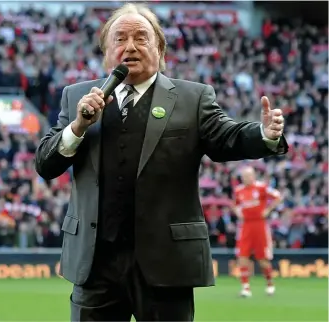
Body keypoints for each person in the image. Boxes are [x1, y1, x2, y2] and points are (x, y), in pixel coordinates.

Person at [34, 4, 288, 321]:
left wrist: (264, 133)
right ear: (106, 50)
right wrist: (78, 127)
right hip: (96, 263)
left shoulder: (191, 97)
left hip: (166, 263)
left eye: (141, 37)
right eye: (120, 38)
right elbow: (45, 164)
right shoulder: (77, 96)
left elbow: (227, 138)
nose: (130, 46)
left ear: (160, 48)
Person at [233, 166, 283, 298]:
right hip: (245, 226)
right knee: (242, 257)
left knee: (262, 259)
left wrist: (268, 210)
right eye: (244, 176)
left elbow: (278, 196)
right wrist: (238, 212)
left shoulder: (261, 187)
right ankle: (246, 288)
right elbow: (236, 205)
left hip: (259, 225)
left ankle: (270, 284)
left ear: (253, 176)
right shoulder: (239, 190)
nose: (246, 178)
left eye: (248, 176)